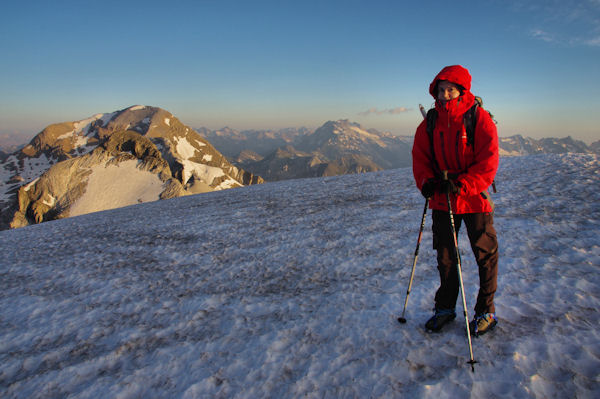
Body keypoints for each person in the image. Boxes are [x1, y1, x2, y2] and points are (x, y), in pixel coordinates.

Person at [412, 65, 499, 336]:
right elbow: (420, 158)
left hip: (474, 199)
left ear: (462, 90)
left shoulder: (478, 118)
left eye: (450, 89)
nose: (446, 94)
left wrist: (463, 184)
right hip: (441, 198)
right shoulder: (430, 122)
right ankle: (445, 308)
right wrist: (427, 182)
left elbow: (488, 160)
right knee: (446, 258)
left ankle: (486, 311)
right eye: (441, 89)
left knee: (484, 255)